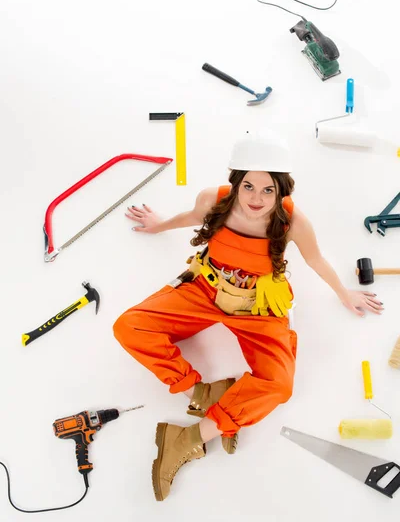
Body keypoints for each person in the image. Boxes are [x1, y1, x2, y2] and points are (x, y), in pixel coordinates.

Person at [113, 129, 383, 502]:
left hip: (258, 306)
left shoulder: (292, 222)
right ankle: (201, 392)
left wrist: (344, 293)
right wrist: (158, 224)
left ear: (282, 190)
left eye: (268, 190)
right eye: (249, 187)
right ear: (236, 183)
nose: (257, 199)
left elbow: (316, 259)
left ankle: (189, 438)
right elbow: (191, 216)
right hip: (205, 290)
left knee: (279, 384)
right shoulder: (213, 200)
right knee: (129, 327)